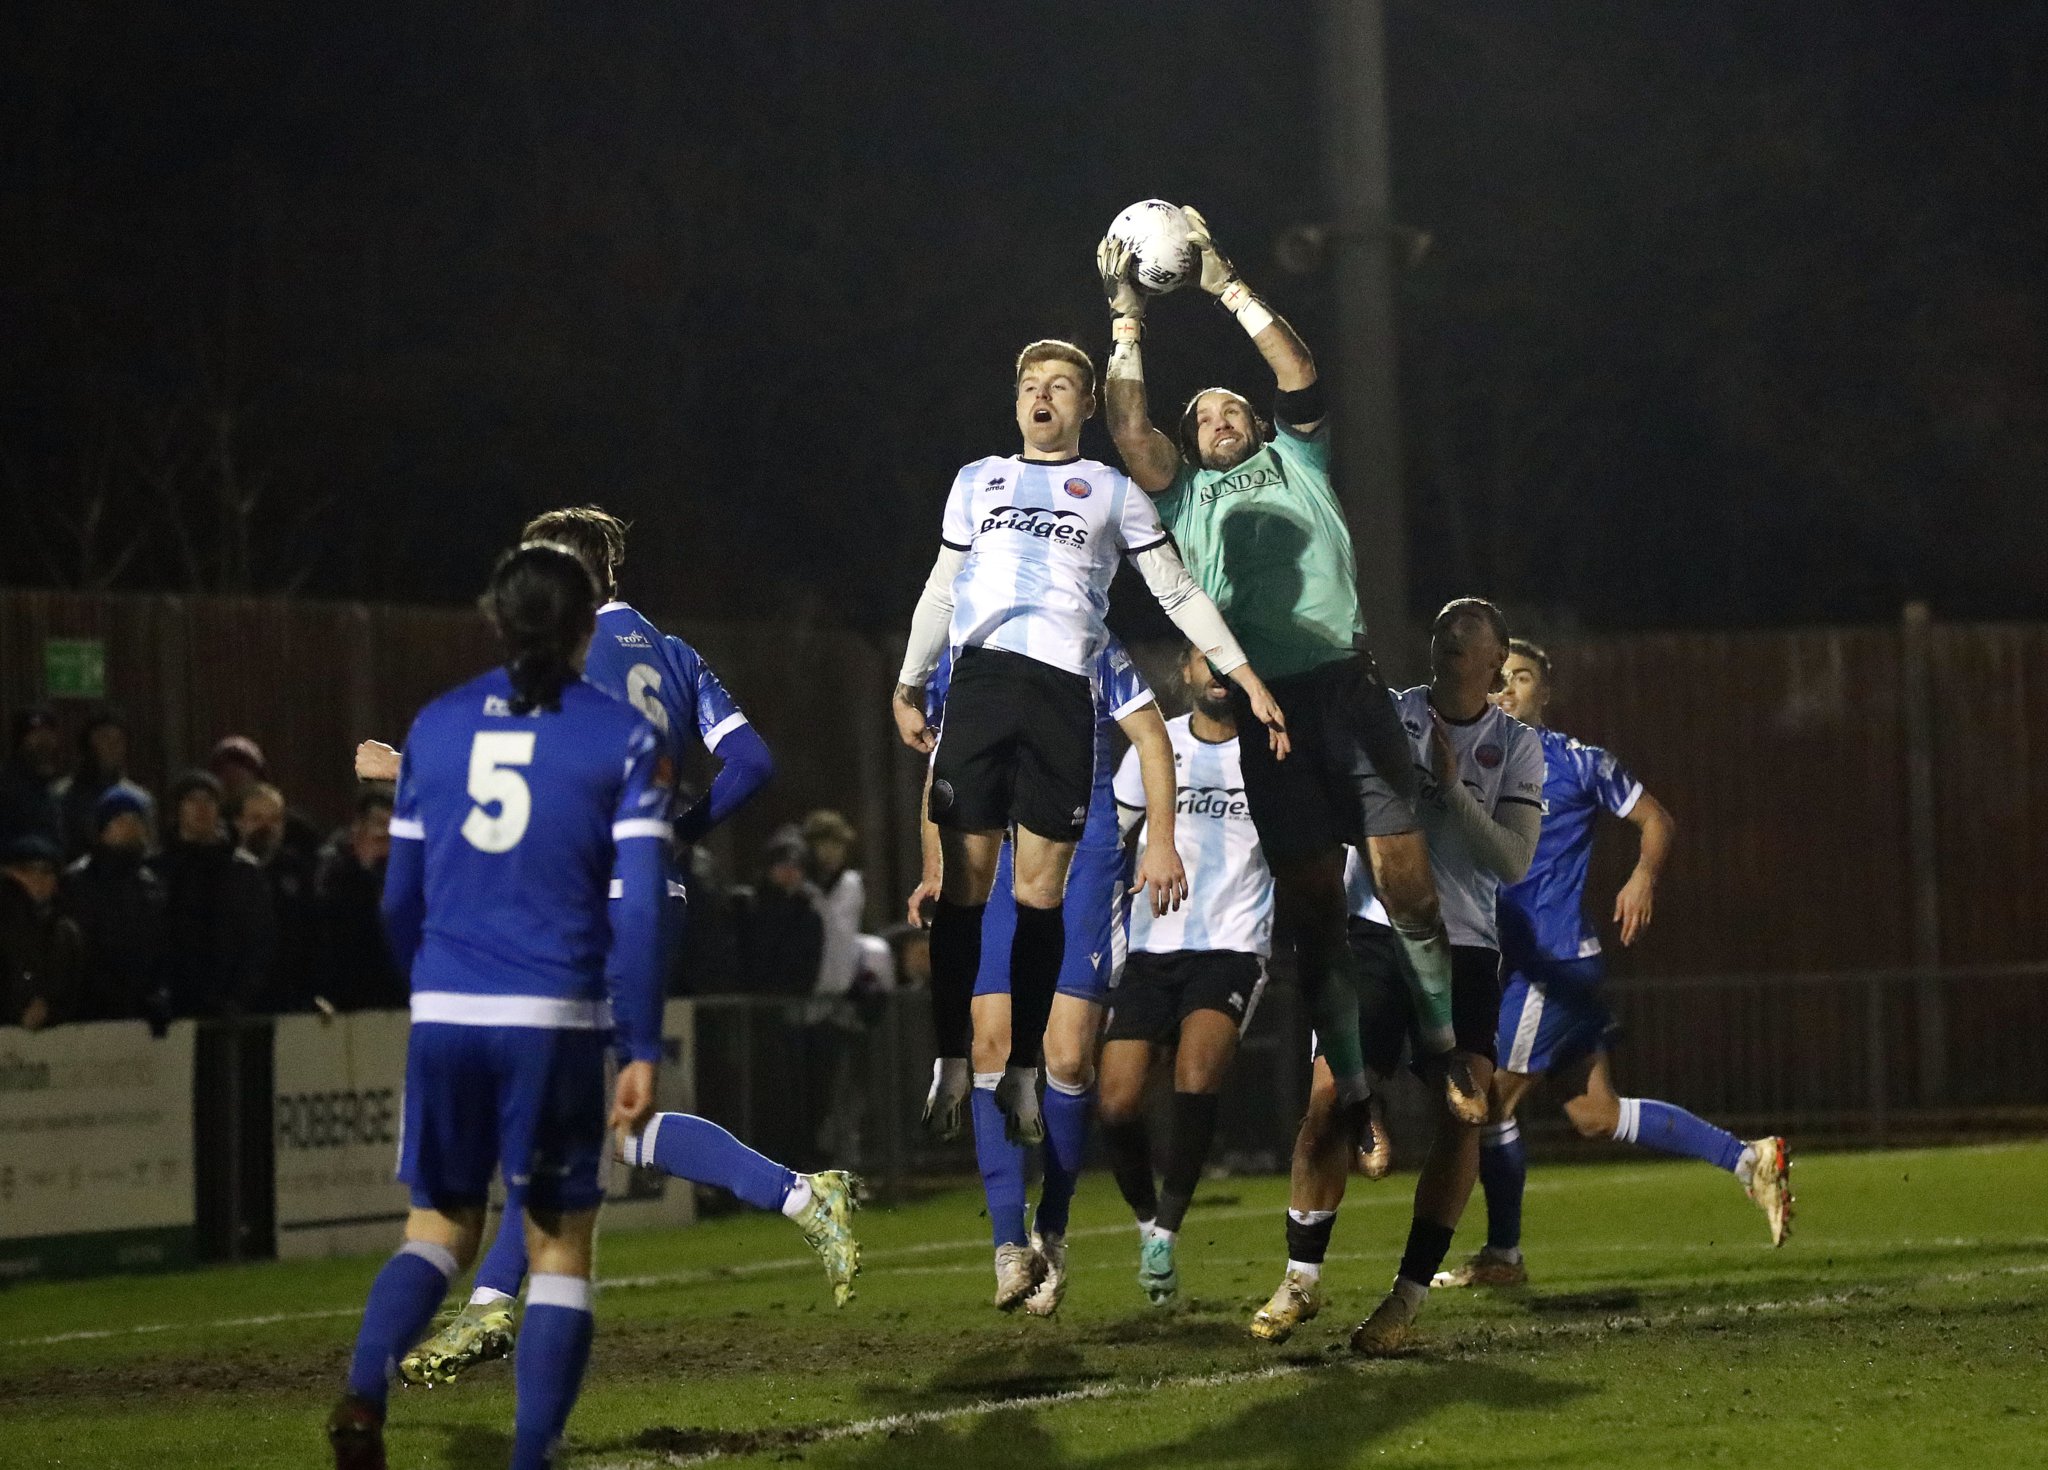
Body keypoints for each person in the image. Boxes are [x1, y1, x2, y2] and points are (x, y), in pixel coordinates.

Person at [385, 507, 855, 1390]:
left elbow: (517, 768)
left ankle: (489, 1307)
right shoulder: (673, 654)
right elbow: (752, 762)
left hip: (585, 894)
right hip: (654, 892)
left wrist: (404, 771)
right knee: (613, 1125)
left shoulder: (567, 656)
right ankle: (800, 1193)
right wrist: (679, 831)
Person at [1099, 209, 1485, 1148]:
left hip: (1348, 691)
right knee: (1314, 916)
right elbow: (1127, 426)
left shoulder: (1296, 458)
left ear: (1260, 425)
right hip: (1271, 712)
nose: (1220, 417)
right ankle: (1358, 1098)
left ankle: (1441, 1047)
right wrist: (1125, 317)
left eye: (1234, 408)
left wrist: (1225, 285)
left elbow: (1300, 371)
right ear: (1192, 441)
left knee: (1409, 888)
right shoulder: (1183, 493)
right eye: (1205, 415)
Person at [893, 337, 1289, 1149]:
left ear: (1083, 408)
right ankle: (950, 1059)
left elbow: (1175, 590)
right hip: (981, 683)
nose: (1044, 396)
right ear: (1016, 404)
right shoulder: (978, 482)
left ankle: (1029, 1074)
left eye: (1062, 386)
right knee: (965, 891)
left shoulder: (1110, 491)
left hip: (1063, 696)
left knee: (1040, 898)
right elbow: (941, 585)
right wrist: (908, 680)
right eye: (1031, 385)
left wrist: (1244, 675)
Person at [326, 543, 671, 1469]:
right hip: (553, 1021)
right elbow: (637, 907)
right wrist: (640, 1040)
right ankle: (532, 1456)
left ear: (494, 618)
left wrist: (431, 983)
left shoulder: (433, 729)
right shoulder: (620, 736)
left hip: (447, 1012)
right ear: (587, 628)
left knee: (437, 1229)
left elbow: (398, 900)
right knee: (558, 1243)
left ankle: (363, 1395)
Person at [1433, 638, 1790, 1291]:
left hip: (1555, 963)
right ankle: (1748, 1160)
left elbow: (1657, 820)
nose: (1507, 689)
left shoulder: (1579, 762)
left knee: (1485, 1106)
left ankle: (1503, 1257)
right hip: (1521, 969)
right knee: (1596, 1114)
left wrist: (1642, 878)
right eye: (1497, 679)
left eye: (1522, 678)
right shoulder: (1466, 764)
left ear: (1547, 692)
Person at [1249, 600, 1543, 1353]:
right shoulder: (1388, 713)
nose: (1446, 646)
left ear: (1495, 661)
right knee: (1325, 1101)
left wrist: (1447, 790)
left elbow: (1511, 860)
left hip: (1466, 947)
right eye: (1440, 634)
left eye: (1464, 639)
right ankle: (1300, 1279)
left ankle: (1404, 1303)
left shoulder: (1517, 747)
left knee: (1467, 1113)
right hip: (1376, 934)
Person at [907, 633, 1180, 1314]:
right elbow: (942, 766)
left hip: (1076, 846)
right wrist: (933, 868)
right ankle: (1008, 1246)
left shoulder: (1091, 641)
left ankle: (1051, 1230)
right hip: (988, 846)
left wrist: (1162, 842)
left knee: (1064, 1055)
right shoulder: (962, 650)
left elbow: (1151, 738)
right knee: (990, 1042)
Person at [1098, 642, 1276, 1307]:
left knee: (1194, 1076)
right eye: (1207, 661)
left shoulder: (1269, 749)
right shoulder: (1155, 746)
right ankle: (1148, 1223)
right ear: (1186, 673)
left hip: (1231, 944)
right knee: (1115, 1101)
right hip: (1150, 946)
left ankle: (1167, 1237)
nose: (1219, 674)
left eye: (1230, 662)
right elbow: (1109, 840)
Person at [150, 769, 273, 1019]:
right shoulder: (157, 869)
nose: (201, 808)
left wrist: (240, 997)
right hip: (171, 1008)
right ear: (179, 809)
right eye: (192, 800)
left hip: (230, 1007)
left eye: (209, 800)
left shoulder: (243, 870)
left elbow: (260, 938)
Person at [61, 787, 169, 1026]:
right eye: (122, 820)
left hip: (140, 1010)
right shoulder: (79, 881)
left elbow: (160, 942)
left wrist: (156, 991)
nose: (132, 828)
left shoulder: (150, 883)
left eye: (137, 821)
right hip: (90, 1010)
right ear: (103, 829)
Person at [310, 789, 407, 1013]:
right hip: (348, 1006)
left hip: (398, 1004)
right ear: (358, 829)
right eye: (380, 823)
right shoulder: (333, 878)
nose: (386, 834)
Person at [234, 780, 318, 1011]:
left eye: (274, 819)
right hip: (239, 1004)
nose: (266, 827)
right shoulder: (226, 874)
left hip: (290, 999)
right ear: (240, 823)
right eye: (256, 818)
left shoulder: (298, 872)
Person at [1, 833, 83, 1030]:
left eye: (46, 871)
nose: (37, 878)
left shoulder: (66, 932)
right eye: (26, 870)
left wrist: (51, 1010)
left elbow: (78, 989)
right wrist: (16, 1011)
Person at [55, 708, 155, 859]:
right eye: (104, 738)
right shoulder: (61, 795)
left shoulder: (139, 798)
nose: (112, 746)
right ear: (88, 744)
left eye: (118, 740)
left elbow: (148, 850)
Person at [0, 708, 66, 851]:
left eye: (49, 733)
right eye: (35, 734)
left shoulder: (53, 788)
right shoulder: (7, 785)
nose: (44, 741)